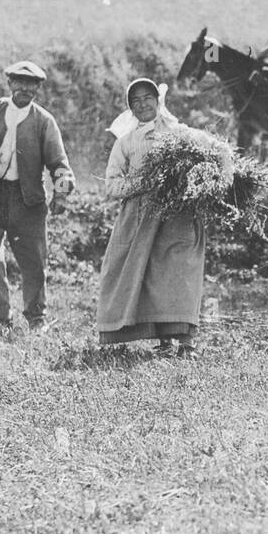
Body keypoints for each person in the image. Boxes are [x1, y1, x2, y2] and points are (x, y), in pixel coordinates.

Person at [96, 78, 205, 359]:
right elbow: (112, 186)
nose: (142, 104)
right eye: (136, 101)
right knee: (150, 276)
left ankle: (187, 342)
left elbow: (208, 157)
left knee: (180, 274)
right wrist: (142, 183)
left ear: (159, 101)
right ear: (130, 108)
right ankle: (165, 341)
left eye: (147, 98)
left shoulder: (182, 134)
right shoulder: (126, 143)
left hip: (179, 215)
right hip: (141, 220)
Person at [0, 60, 76, 336]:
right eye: (20, 81)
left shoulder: (43, 122)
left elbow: (59, 163)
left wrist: (61, 192)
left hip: (28, 200)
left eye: (32, 84)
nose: (25, 88)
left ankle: (36, 318)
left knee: (34, 261)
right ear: (10, 83)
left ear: (38, 88)